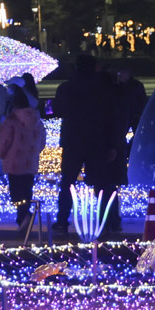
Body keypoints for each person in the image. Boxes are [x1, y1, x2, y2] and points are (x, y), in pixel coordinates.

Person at [50, 54, 118, 236]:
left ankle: (62, 221)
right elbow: (111, 116)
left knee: (68, 182)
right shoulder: (103, 89)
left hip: (73, 140)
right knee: (101, 183)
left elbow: (57, 110)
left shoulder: (67, 87)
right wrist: (112, 144)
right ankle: (106, 222)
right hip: (98, 141)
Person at [0, 84, 47, 229]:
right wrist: (34, 152)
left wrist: (1, 154)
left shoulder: (12, 120)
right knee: (26, 189)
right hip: (30, 161)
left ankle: (23, 216)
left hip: (14, 160)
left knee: (16, 192)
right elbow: (42, 140)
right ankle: (24, 216)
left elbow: (5, 140)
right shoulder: (37, 120)